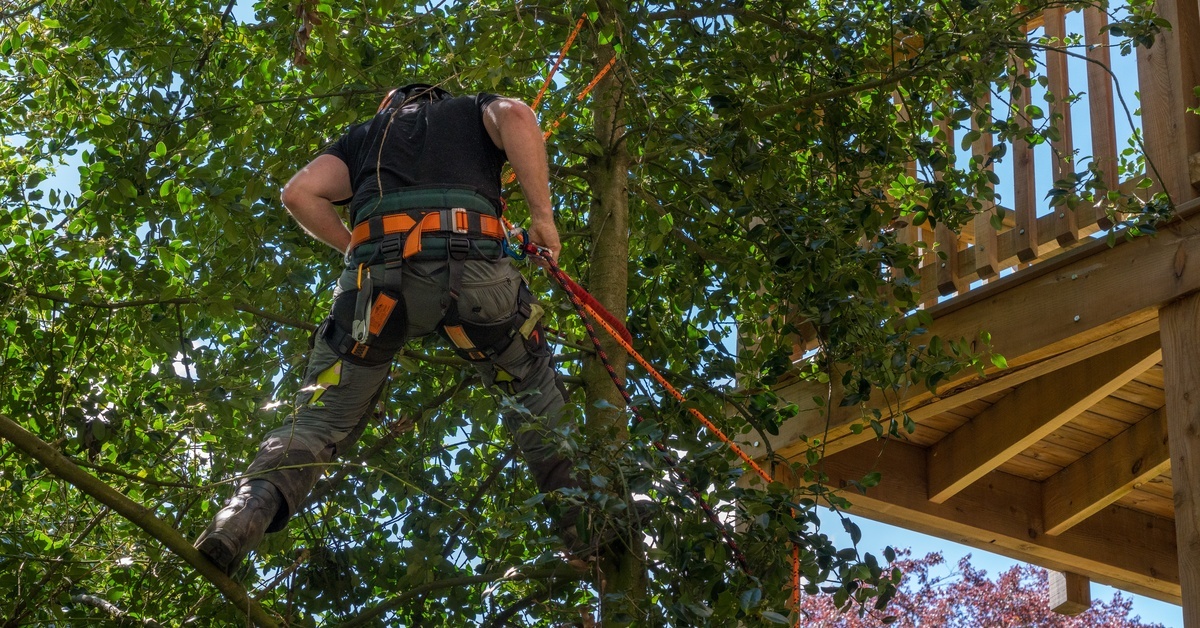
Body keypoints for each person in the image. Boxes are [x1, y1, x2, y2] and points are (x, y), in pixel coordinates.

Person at [194, 83, 598, 576]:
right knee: (532, 389)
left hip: (376, 287)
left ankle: (243, 514)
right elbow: (516, 116)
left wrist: (354, 246)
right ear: (435, 99)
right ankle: (590, 528)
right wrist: (542, 218)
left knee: (319, 418)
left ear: (390, 106)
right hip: (476, 275)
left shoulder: (365, 136)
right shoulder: (472, 108)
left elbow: (298, 194)